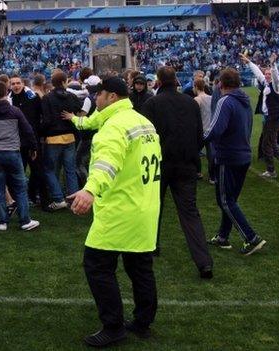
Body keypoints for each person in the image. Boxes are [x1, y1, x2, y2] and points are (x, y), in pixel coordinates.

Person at [67, 77, 161, 347]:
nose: (95, 99)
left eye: (99, 95)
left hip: (120, 210)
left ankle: (113, 325)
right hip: (145, 207)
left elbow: (106, 164)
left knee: (96, 265)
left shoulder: (114, 127)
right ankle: (143, 322)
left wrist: (89, 190)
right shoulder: (142, 121)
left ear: (110, 97)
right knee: (140, 267)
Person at [140, 66, 214, 278]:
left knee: (154, 206)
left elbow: (145, 138)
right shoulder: (190, 102)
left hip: (160, 164)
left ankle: (151, 246)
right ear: (176, 81)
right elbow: (200, 136)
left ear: (158, 82)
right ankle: (204, 262)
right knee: (190, 213)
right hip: (186, 165)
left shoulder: (152, 103)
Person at [204, 68, 267, 255]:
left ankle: (251, 237)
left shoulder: (225, 101)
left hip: (228, 156)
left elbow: (215, 129)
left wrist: (198, 138)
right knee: (230, 199)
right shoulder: (244, 100)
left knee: (225, 200)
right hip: (243, 154)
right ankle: (223, 236)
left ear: (220, 84)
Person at [0, 81, 40, 231]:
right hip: (13, 152)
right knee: (20, 187)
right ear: (7, 92)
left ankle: (2, 222)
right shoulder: (15, 111)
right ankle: (25, 220)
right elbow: (28, 130)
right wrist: (33, 147)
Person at [241, 53, 279, 179]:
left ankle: (274, 169)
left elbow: (276, 77)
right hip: (269, 117)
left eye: (268, 74)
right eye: (265, 74)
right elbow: (258, 73)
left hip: (273, 118)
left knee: (267, 144)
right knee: (271, 143)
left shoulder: (277, 85)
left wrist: (272, 65)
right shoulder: (267, 83)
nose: (266, 76)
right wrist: (249, 62)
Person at [40, 70, 83, 211]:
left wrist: (42, 133)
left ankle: (58, 198)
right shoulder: (71, 96)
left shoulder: (47, 98)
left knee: (49, 170)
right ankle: (73, 199)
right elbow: (80, 110)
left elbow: (46, 120)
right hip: (70, 137)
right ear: (65, 82)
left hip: (53, 138)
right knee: (70, 170)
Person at [9, 75, 49, 208]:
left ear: (22, 83)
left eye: (18, 83)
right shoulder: (9, 99)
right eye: (13, 83)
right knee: (18, 173)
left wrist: (39, 133)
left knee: (38, 171)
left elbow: (42, 116)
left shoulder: (33, 97)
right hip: (17, 142)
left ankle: (42, 200)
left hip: (33, 141)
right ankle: (17, 202)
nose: (16, 86)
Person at [193, 78, 215, 183]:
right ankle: (212, 177)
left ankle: (198, 172)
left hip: (201, 131)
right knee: (211, 155)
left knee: (195, 152)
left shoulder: (197, 99)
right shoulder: (211, 97)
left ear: (196, 87)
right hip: (210, 130)